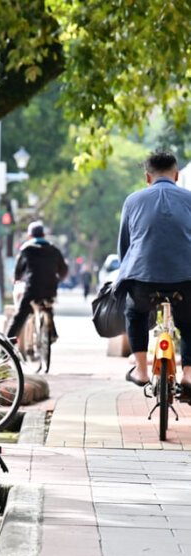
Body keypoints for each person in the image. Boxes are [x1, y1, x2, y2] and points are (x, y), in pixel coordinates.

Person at [115, 150, 191, 394]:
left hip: (143, 282)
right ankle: (188, 375)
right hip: (186, 280)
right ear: (176, 175)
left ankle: (141, 370)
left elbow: (124, 248)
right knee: (190, 322)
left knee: (134, 312)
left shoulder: (132, 201)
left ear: (147, 177)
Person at [6, 221, 68, 340]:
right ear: (44, 235)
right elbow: (63, 270)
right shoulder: (54, 249)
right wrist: (59, 279)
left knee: (19, 316)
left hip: (32, 289)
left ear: (30, 236)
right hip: (51, 289)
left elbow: (18, 269)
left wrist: (17, 279)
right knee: (48, 306)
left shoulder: (26, 249)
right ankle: (52, 333)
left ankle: (5, 347)